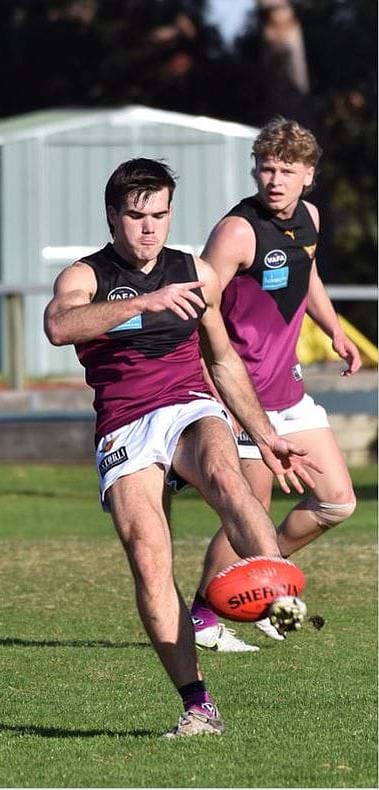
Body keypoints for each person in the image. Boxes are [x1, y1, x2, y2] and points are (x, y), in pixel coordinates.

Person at [43, 158, 317, 738]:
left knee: (225, 476)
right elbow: (60, 327)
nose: (149, 228)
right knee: (149, 558)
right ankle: (198, 705)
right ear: (112, 215)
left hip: (188, 403)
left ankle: (278, 594)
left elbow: (223, 360)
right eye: (136, 216)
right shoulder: (86, 275)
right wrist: (143, 302)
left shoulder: (194, 272)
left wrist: (264, 433)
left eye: (160, 215)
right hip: (123, 424)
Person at [186, 119, 359, 652]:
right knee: (249, 513)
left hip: (289, 391)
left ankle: (261, 583)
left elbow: (308, 275)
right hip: (243, 398)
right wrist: (216, 392)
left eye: (286, 170)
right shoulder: (237, 231)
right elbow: (200, 306)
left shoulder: (310, 217)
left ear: (309, 174)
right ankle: (202, 616)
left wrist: (334, 331)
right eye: (266, 169)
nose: (274, 180)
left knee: (337, 502)